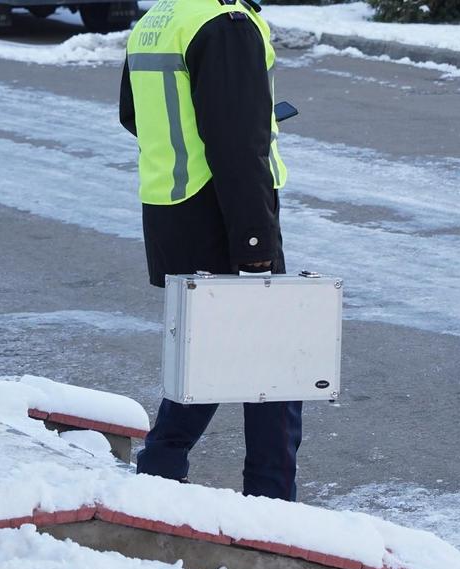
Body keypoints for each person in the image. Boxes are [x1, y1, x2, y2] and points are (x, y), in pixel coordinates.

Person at [119, 0, 303, 501]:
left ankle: (159, 465)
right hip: (226, 214)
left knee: (209, 351)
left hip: (173, 210)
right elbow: (238, 146)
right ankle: (271, 503)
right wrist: (255, 245)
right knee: (273, 364)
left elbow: (133, 115)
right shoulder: (226, 24)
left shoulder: (159, 18)